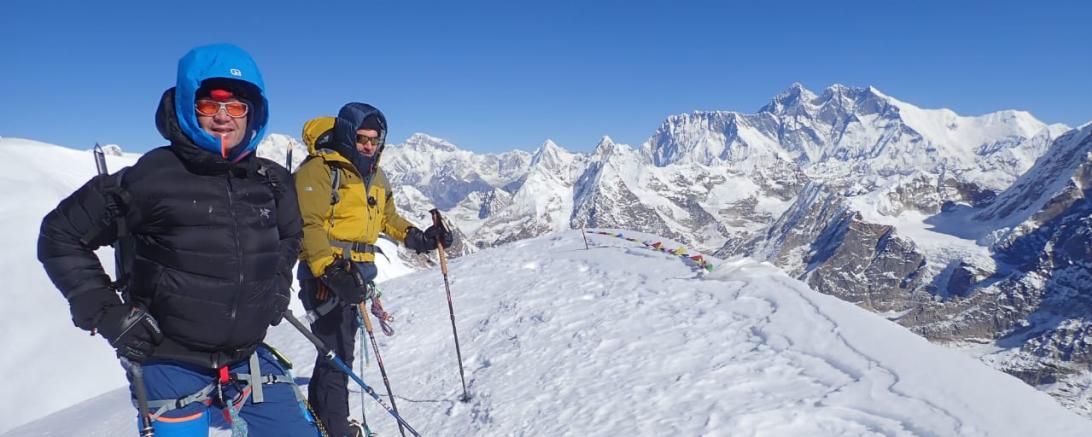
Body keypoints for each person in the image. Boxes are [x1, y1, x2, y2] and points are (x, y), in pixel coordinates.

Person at [37, 43, 321, 436]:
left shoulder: (270, 181)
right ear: (188, 105)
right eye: (210, 104)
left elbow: (289, 235)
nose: (224, 117)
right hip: (169, 360)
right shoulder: (149, 178)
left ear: (253, 112)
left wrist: (276, 286)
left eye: (236, 106)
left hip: (246, 356)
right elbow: (60, 234)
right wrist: (106, 313)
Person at [294, 103, 453, 436]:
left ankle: (322, 419)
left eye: (375, 139)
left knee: (335, 351)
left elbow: (387, 219)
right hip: (326, 277)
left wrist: (420, 238)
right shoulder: (320, 170)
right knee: (338, 351)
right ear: (347, 134)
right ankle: (336, 427)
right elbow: (308, 225)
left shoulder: (376, 174)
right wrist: (329, 270)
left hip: (356, 276)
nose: (369, 145)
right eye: (362, 138)